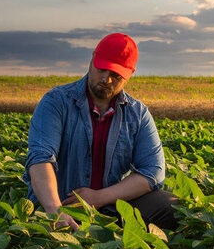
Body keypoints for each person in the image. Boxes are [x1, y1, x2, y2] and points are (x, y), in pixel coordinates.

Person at [23, 33, 178, 231]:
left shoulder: (137, 114)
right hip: (56, 206)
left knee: (171, 205)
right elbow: (40, 159)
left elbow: (153, 172)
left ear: (130, 74)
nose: (106, 79)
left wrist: (98, 198)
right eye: (102, 69)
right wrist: (55, 210)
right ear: (92, 59)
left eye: (116, 75)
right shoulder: (57, 102)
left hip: (107, 210)